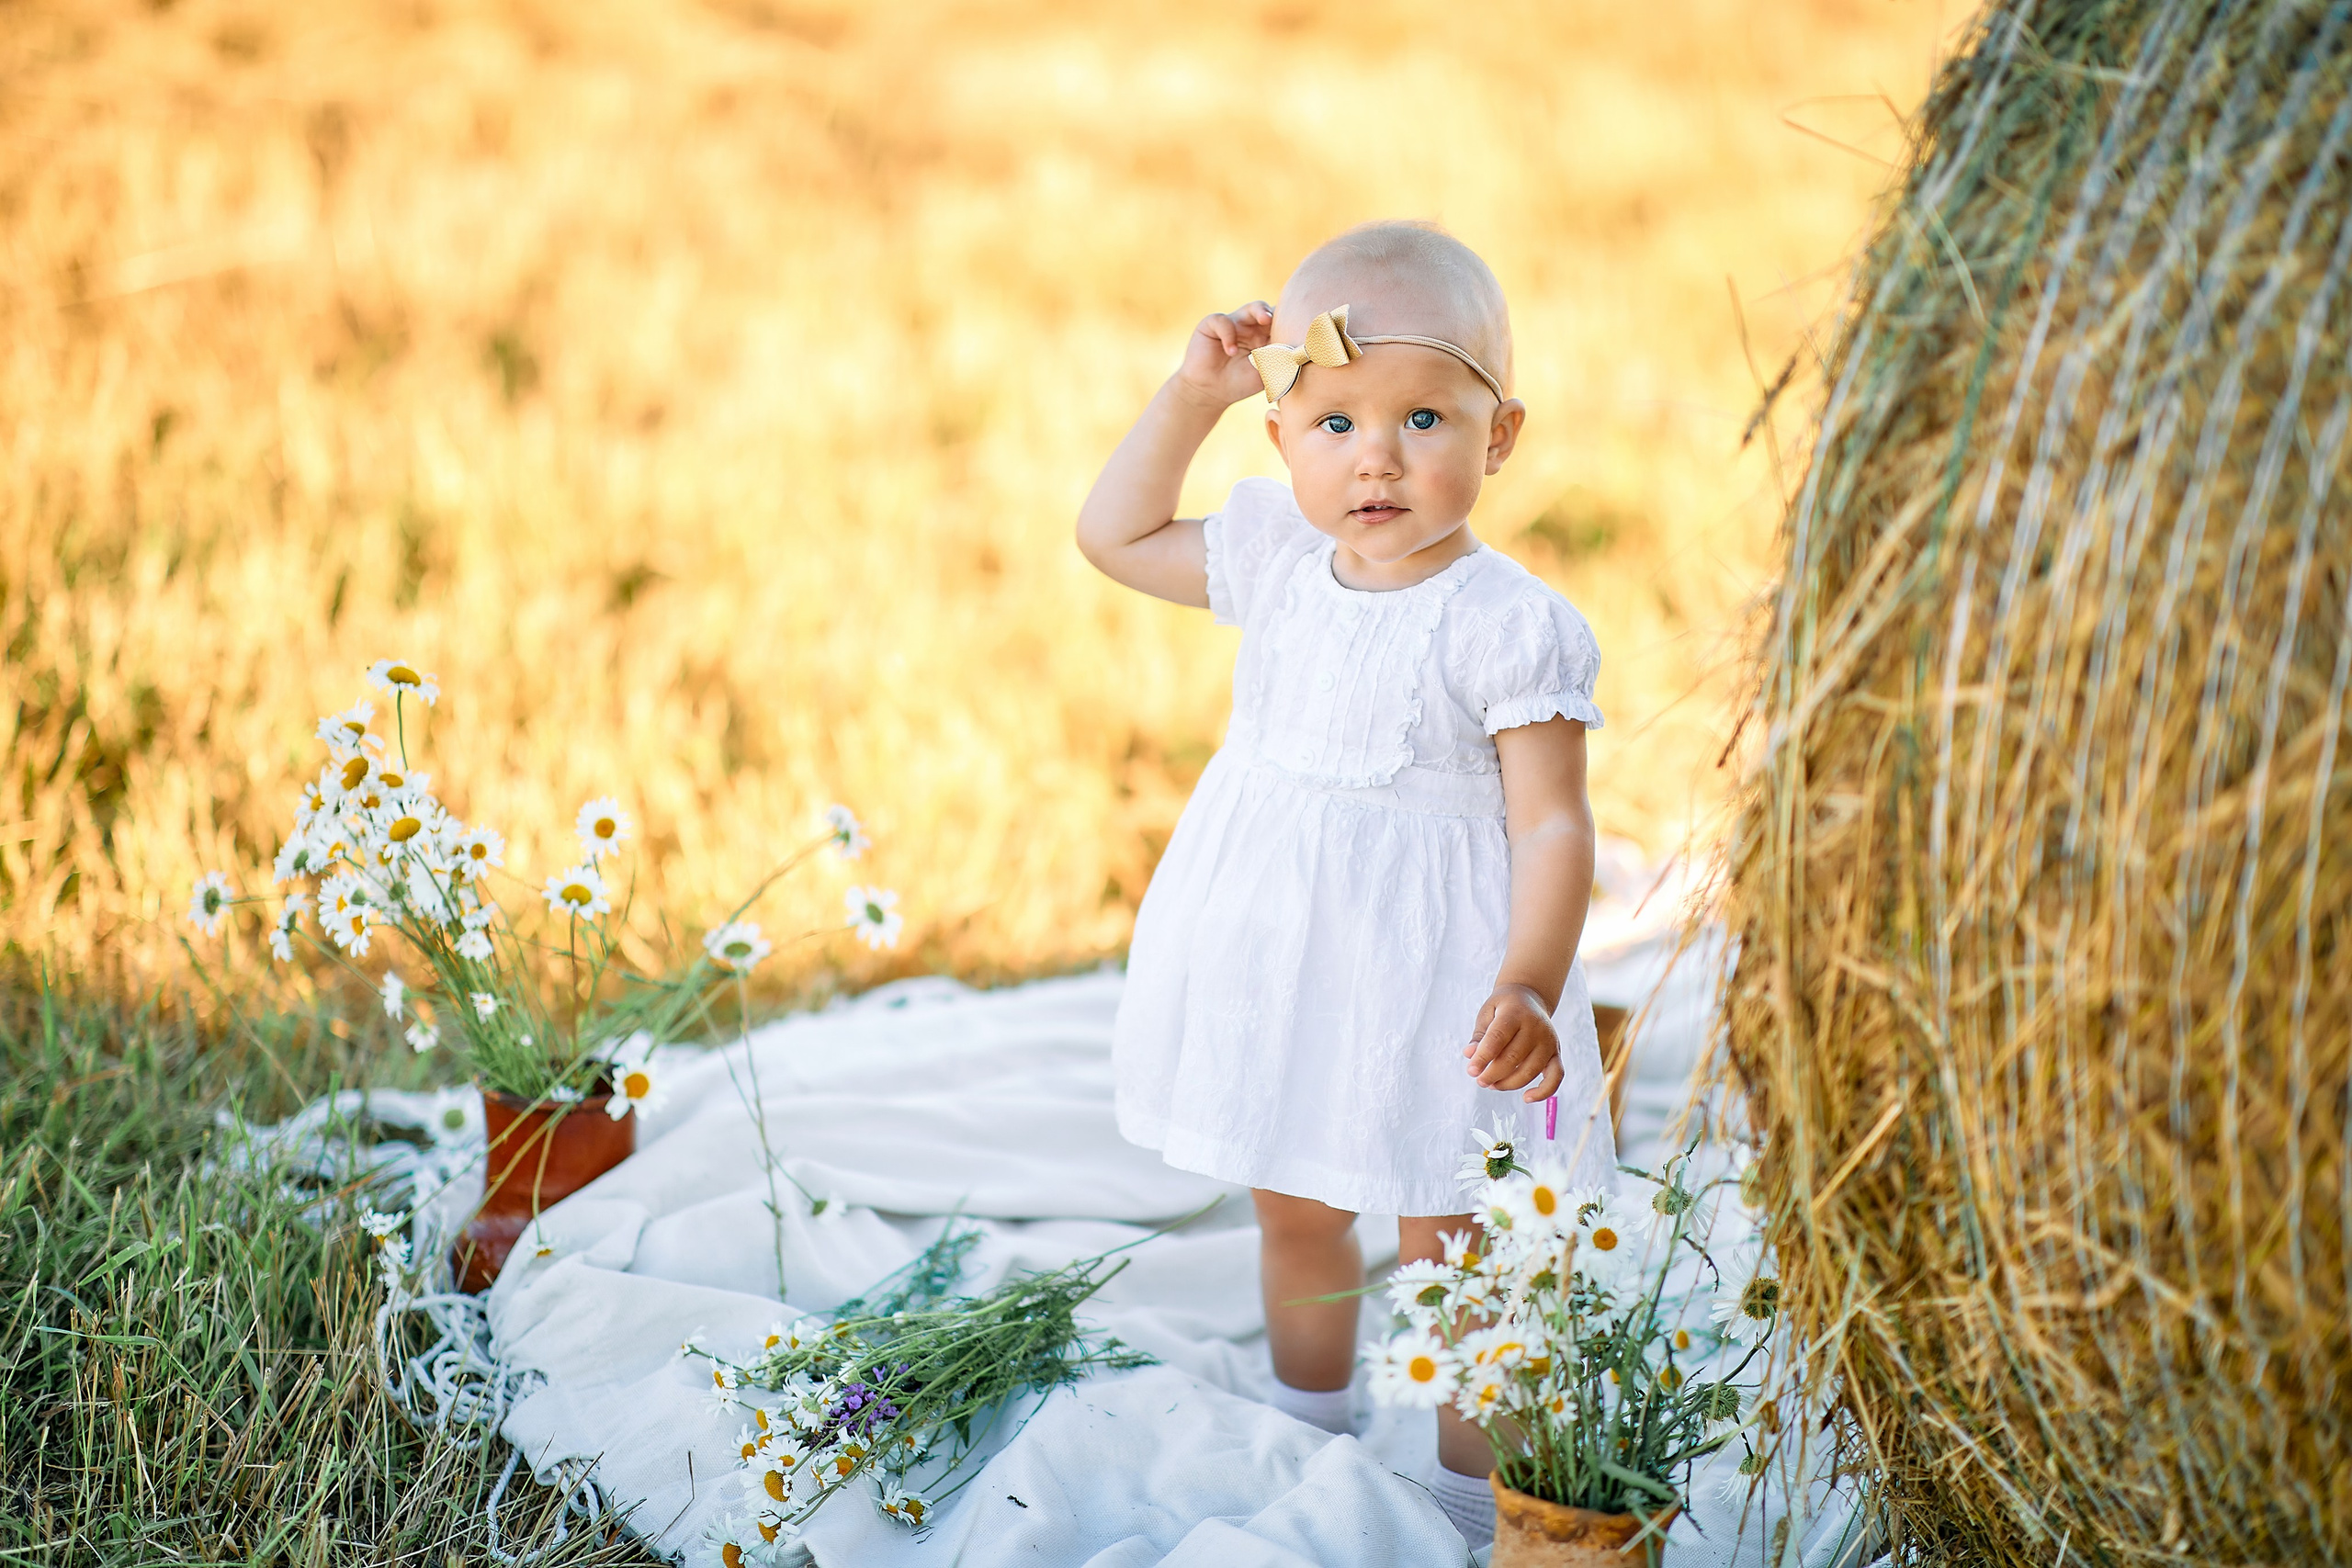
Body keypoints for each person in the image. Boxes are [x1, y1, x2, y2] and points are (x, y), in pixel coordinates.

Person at [1074, 220, 1615, 1548]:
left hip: (1444, 976)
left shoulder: (1510, 621)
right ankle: (1305, 1425)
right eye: (1333, 424)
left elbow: (1553, 827)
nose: (1374, 455)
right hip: (1283, 952)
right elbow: (1111, 532)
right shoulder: (1272, 560)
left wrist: (1533, 986)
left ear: (1501, 439)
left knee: (1454, 1239)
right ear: (1280, 441)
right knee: (1298, 1202)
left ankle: (1459, 1492)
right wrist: (1193, 391)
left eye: (1423, 416)